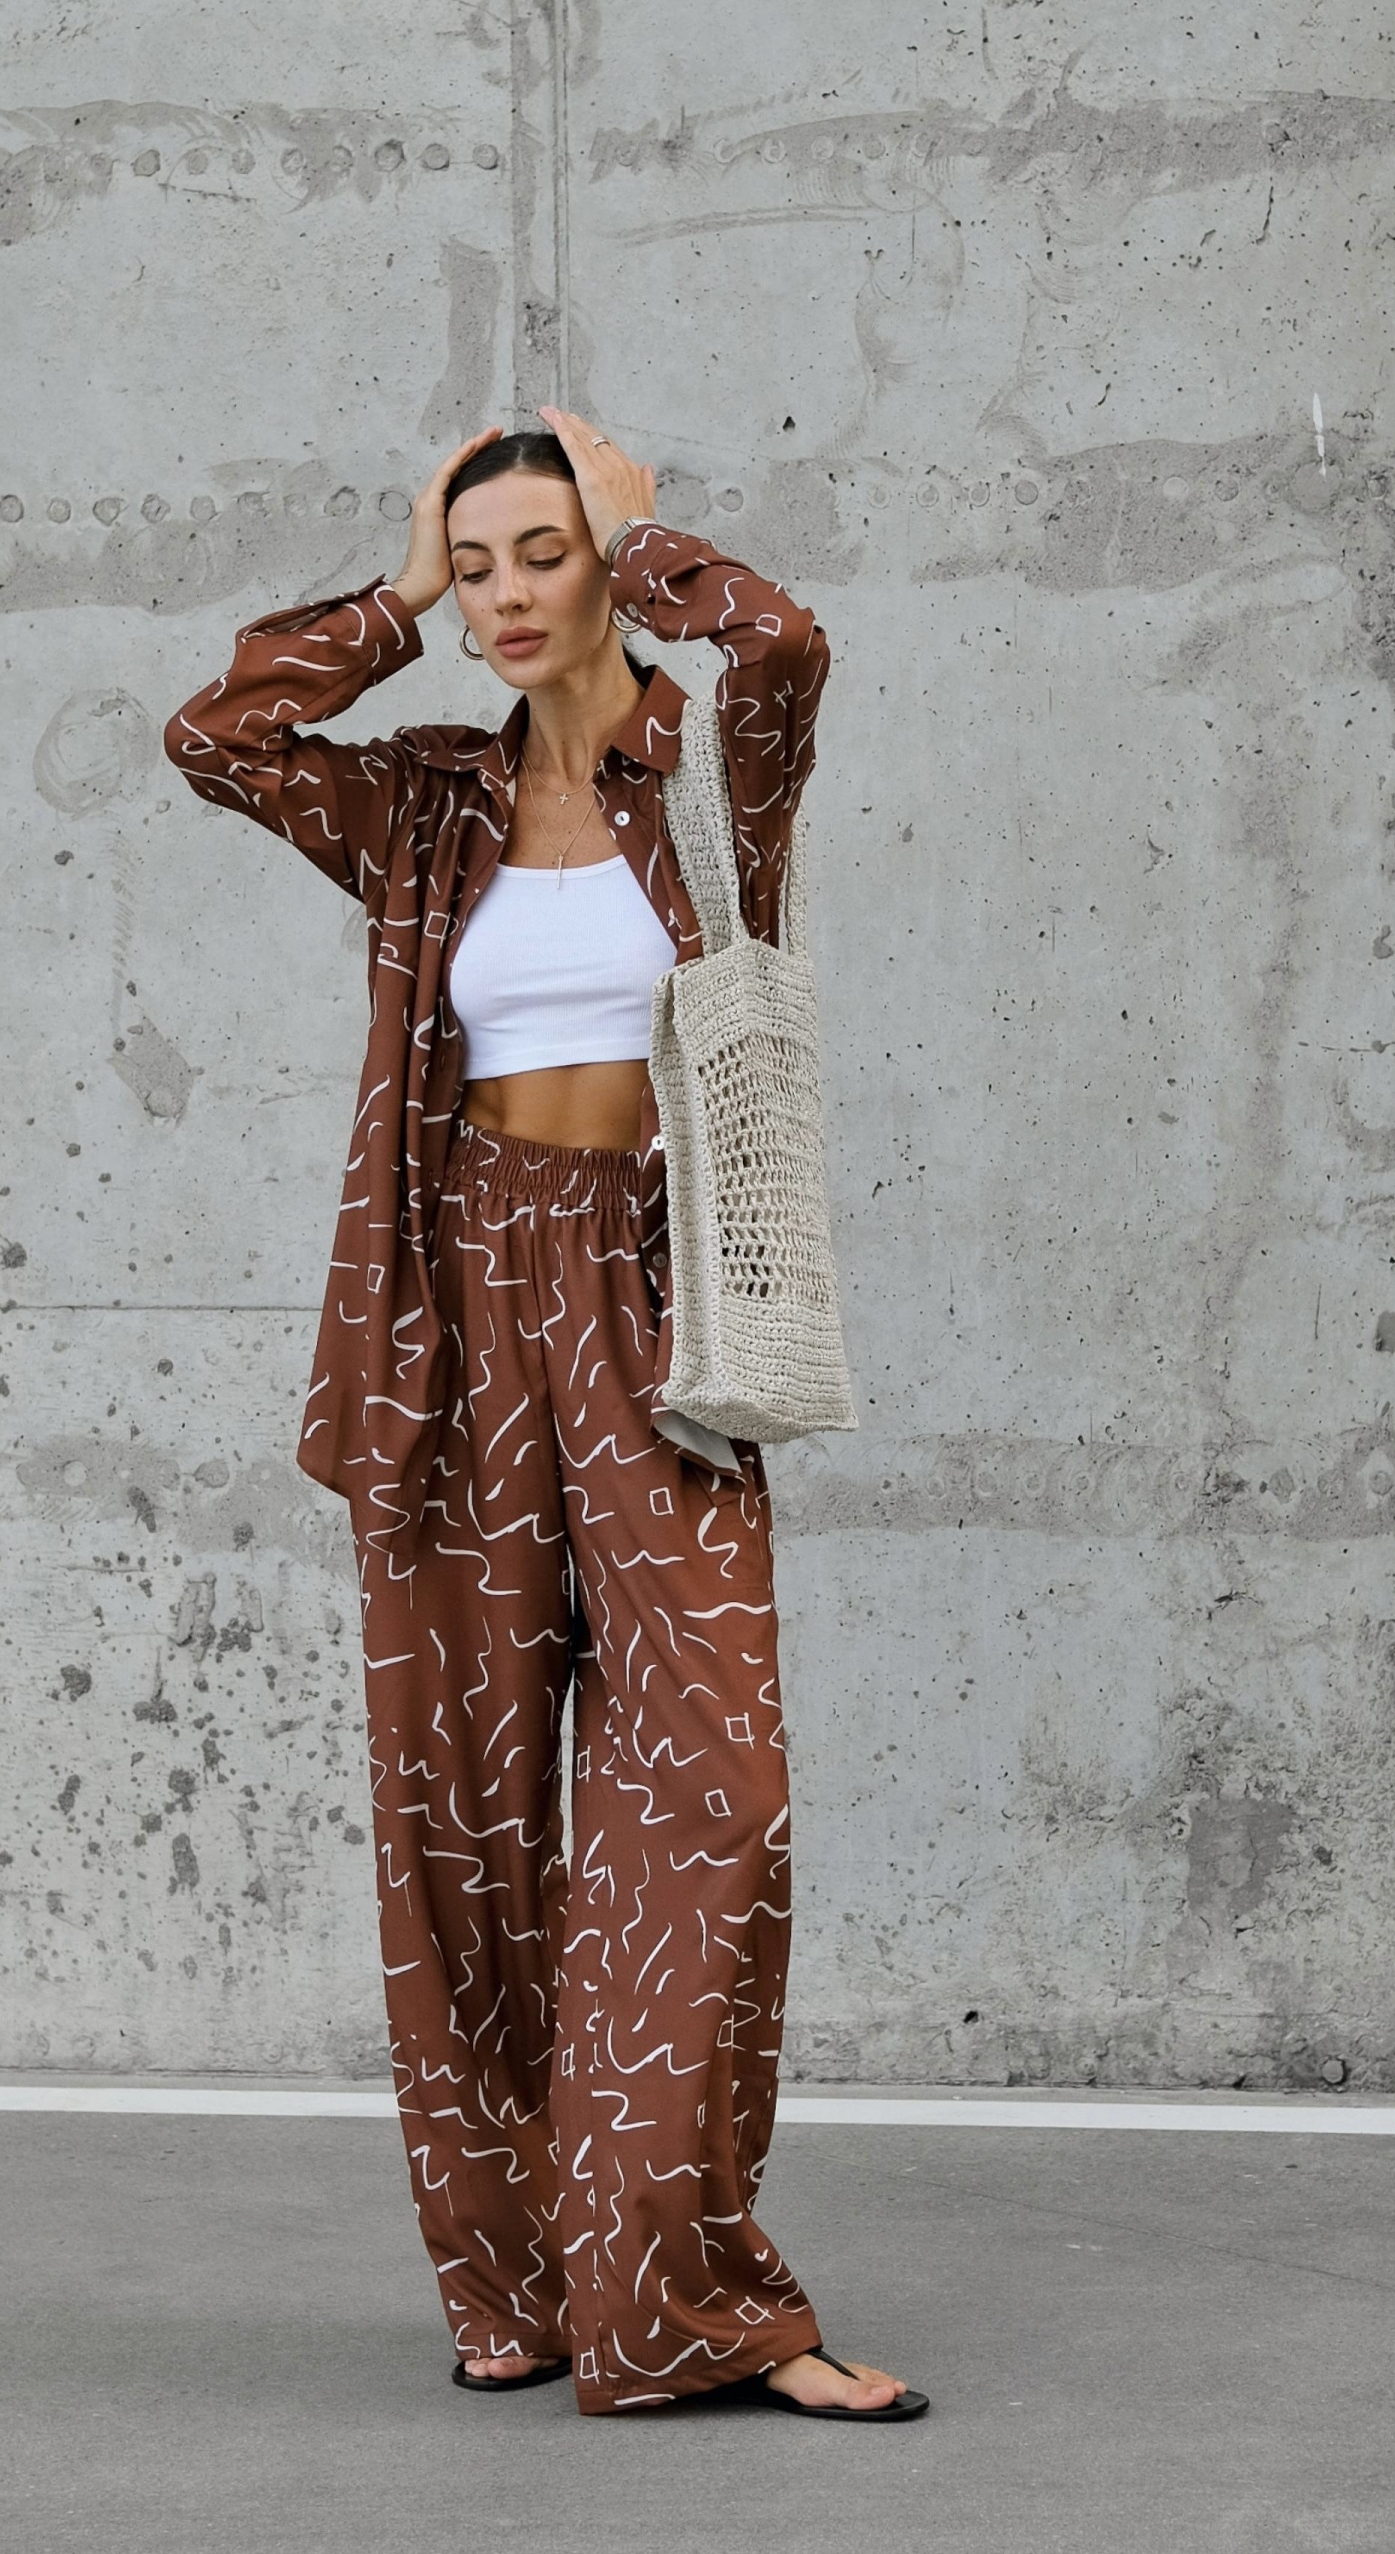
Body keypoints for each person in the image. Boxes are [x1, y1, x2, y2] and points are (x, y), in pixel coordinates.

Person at [165, 409, 925, 2423]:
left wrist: (648, 536)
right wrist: (394, 592)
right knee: (466, 1823)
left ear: (606, 563)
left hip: (656, 1311)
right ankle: (514, 2287)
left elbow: (782, 646)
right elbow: (217, 736)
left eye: (541, 553)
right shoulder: (423, 804)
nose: (506, 596)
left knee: (713, 1796)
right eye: (477, 561)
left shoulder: (712, 771)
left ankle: (679, 2301)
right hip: (447, 1319)